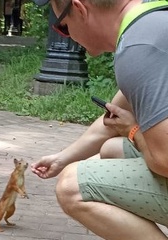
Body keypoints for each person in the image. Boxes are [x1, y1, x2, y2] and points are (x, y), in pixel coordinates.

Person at [30, 0, 168, 239]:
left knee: (71, 187)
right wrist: (61, 158)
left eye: (63, 27)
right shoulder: (152, 20)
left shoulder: (139, 49)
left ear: (81, 9)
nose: (69, 36)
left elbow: (165, 160)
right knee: (112, 148)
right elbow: (111, 117)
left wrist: (133, 131)